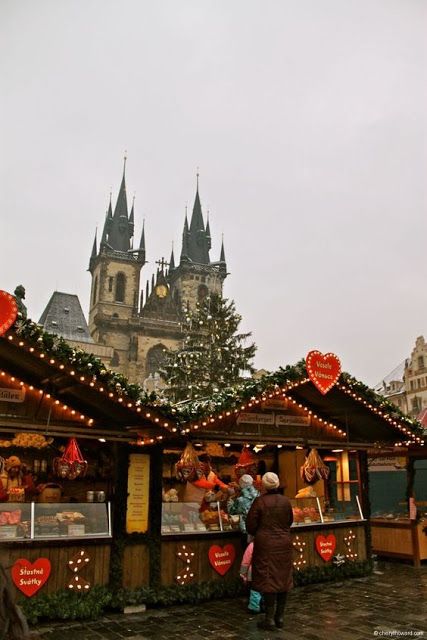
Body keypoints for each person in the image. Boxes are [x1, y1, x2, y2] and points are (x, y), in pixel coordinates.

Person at [246, 471, 294, 631]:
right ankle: (280, 616)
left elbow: (251, 526)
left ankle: (269, 619)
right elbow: (290, 521)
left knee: (268, 579)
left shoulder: (259, 502)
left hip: (266, 545)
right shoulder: (286, 501)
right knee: (283, 578)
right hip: (284, 543)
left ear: (264, 485)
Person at [239, 540, 262, 614]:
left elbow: (246, 561)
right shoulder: (271, 543)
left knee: (255, 590)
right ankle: (265, 605)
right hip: (268, 571)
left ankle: (254, 607)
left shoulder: (252, 545)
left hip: (254, 572)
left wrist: (243, 574)